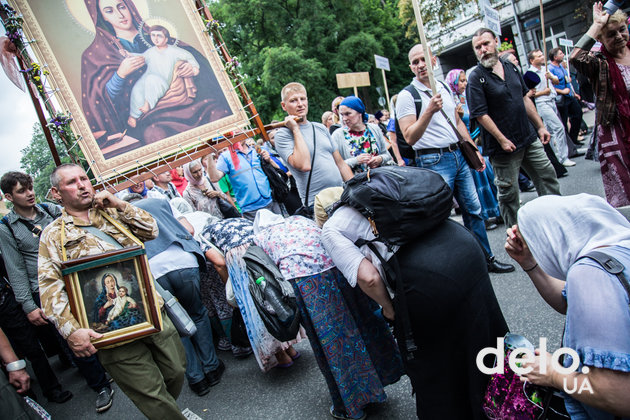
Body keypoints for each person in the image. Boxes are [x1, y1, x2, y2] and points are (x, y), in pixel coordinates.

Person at [321, 204, 509, 419]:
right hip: (463, 244)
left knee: (434, 363)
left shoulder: (330, 230)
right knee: (483, 334)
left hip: (423, 273)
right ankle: (508, 401)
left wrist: (390, 310)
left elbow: (369, 278)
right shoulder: (378, 196)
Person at [38, 163, 187, 419]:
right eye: (71, 182)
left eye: (84, 179)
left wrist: (119, 204)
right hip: (109, 333)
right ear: (56, 193)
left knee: (177, 370)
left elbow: (151, 230)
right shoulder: (53, 236)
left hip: (152, 313)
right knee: (149, 393)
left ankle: (164, 410)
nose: (82, 185)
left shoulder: (111, 212)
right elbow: (50, 290)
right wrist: (72, 331)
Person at [253, 210, 404, 420]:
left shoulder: (260, 238)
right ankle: (379, 381)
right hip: (337, 267)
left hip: (305, 283)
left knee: (332, 344)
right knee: (360, 326)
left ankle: (351, 406)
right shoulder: (300, 220)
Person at [505, 193, 630, 419]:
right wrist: (529, 263)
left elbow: (618, 396)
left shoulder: (590, 275)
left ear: (552, 238)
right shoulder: (617, 250)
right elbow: (567, 302)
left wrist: (553, 373)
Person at [0, 171, 112, 411]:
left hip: (76, 279)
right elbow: (15, 270)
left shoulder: (50, 210)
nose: (30, 193)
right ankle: (100, 386)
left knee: (97, 323)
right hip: (45, 289)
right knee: (71, 337)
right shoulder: (7, 228)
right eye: (22, 190)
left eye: (30, 187)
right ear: (9, 196)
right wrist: (28, 305)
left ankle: (113, 368)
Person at [397, 44, 514, 273]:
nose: (420, 65)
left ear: (433, 60)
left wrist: (473, 149)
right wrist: (429, 110)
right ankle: (452, 270)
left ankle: (485, 259)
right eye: (415, 62)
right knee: (439, 218)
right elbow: (409, 136)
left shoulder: (442, 86)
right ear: (411, 67)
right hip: (433, 160)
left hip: (458, 156)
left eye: (423, 59)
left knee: (474, 210)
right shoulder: (406, 96)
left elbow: (458, 122)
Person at [81, 0, 231, 155]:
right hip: (152, 117)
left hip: (192, 104)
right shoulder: (95, 56)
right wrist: (120, 75)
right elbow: (98, 102)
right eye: (109, 11)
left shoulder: (160, 38)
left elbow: (196, 62)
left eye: (121, 6)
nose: (120, 15)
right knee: (154, 135)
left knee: (220, 113)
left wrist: (191, 68)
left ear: (129, 6)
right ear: (101, 17)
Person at [466, 28, 561, 228]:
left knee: (547, 177)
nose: (483, 50)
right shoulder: (476, 78)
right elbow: (481, 115)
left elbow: (524, 98)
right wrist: (501, 139)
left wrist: (540, 126)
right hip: (503, 148)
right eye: (478, 47)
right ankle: (517, 238)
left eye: (486, 44)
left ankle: (557, 220)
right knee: (509, 195)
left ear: (496, 42)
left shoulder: (511, 67)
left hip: (528, 137)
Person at [200, 217, 302, 371]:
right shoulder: (234, 220)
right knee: (271, 297)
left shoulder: (202, 236)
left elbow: (219, 263)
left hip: (238, 258)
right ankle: (290, 347)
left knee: (255, 307)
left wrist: (230, 285)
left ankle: (280, 354)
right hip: (257, 248)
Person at [570, 3, 630, 207]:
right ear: (601, 39)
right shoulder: (600, 62)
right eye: (611, 34)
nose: (620, 37)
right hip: (618, 132)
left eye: (622, 29)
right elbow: (576, 57)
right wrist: (597, 25)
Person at [273, 82, 353, 214]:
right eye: (293, 100)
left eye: (302, 99)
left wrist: (356, 190)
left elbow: (340, 164)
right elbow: (304, 165)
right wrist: (295, 129)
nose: (300, 104)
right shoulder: (283, 135)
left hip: (342, 195)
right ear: (284, 106)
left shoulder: (320, 128)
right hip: (318, 204)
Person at [445, 68, 501, 229]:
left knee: (487, 175)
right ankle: (483, 217)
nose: (464, 83)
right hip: (464, 146)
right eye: (461, 81)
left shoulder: (465, 97)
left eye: (465, 80)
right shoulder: (450, 100)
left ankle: (496, 212)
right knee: (475, 182)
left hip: (474, 141)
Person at [128, 25, 199, 128]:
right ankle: (133, 116)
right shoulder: (151, 51)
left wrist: (194, 68)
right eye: (153, 35)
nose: (155, 38)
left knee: (152, 80)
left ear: (166, 39)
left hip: (162, 81)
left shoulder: (174, 51)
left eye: (159, 36)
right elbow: (141, 57)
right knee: (137, 89)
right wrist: (128, 54)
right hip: (147, 78)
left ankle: (147, 105)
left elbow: (189, 57)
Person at [206, 140, 281, 220]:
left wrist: (269, 160)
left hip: (271, 201)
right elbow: (214, 178)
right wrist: (209, 153)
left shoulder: (256, 150)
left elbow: (278, 171)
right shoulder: (226, 157)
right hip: (251, 209)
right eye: (232, 133)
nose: (236, 135)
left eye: (238, 131)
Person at [526, 49, 575, 167]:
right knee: (559, 128)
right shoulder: (529, 74)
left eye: (542, 55)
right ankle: (563, 158)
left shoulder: (545, 69)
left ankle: (554, 158)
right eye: (539, 56)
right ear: (532, 60)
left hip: (552, 101)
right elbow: (528, 95)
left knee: (549, 132)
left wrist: (551, 78)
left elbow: (557, 81)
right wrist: (543, 92)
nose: (542, 57)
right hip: (542, 103)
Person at [331, 96, 393, 173]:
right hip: (355, 182)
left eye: (348, 114)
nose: (344, 118)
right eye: (342, 115)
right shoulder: (338, 135)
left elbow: (387, 156)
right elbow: (334, 165)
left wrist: (380, 159)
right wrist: (356, 161)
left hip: (379, 180)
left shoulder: (374, 129)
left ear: (359, 113)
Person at [549, 47, 584, 149]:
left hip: (569, 96)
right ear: (555, 57)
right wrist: (562, 91)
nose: (563, 55)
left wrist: (573, 93)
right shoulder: (550, 69)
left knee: (578, 114)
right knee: (563, 122)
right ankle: (568, 145)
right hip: (560, 99)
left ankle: (573, 139)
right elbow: (550, 85)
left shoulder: (561, 67)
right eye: (561, 53)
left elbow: (567, 82)